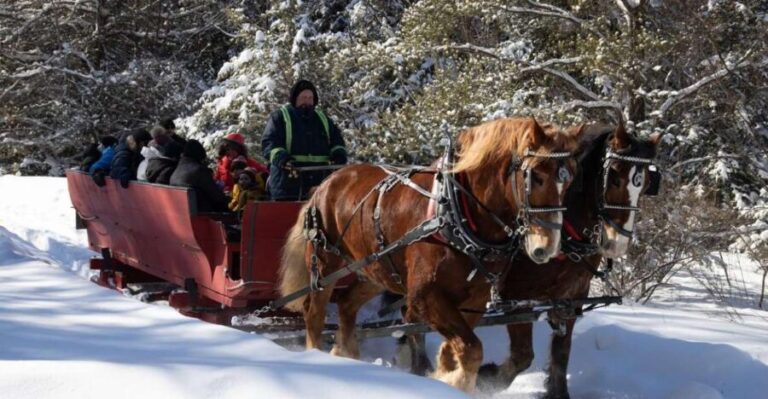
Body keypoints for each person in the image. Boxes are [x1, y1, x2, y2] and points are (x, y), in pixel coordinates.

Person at [261, 79, 347, 201]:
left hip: (320, 182)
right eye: (303, 97)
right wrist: (282, 159)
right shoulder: (280, 117)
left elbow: (337, 141)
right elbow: (269, 143)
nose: (307, 101)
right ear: (295, 99)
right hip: (288, 185)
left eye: (310, 97)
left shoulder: (323, 119)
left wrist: (339, 155)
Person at [170, 139, 228, 212]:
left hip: (184, 211)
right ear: (199, 156)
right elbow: (217, 196)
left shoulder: (178, 169)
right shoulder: (199, 170)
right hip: (202, 213)